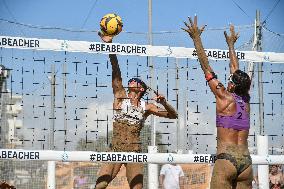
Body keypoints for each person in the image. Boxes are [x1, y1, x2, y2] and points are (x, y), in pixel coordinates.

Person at [95, 32, 178, 189]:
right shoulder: (120, 96)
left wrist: (164, 103)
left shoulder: (146, 107)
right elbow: (116, 71)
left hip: (134, 150)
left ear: (141, 89)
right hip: (116, 148)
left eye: (135, 81)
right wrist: (110, 46)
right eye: (131, 80)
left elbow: (174, 115)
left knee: (137, 187)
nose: (131, 81)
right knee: (101, 184)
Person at [183, 16, 253, 188]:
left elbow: (205, 66)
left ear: (231, 84)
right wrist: (231, 45)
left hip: (226, 160)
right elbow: (235, 68)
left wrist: (196, 38)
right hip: (246, 162)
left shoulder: (223, 96)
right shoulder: (246, 99)